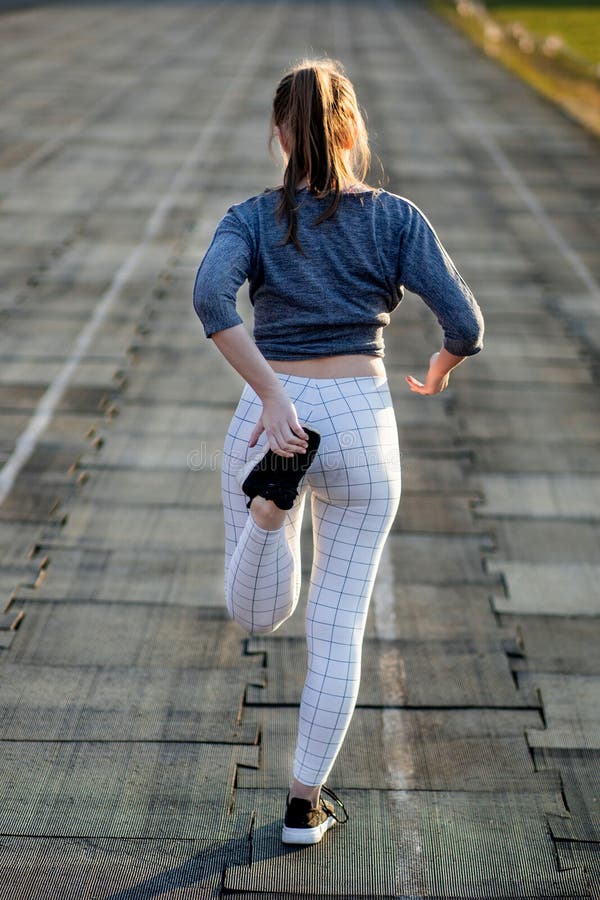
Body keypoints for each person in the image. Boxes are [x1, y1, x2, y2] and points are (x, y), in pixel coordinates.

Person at [192, 57, 484, 846]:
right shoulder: (398, 218)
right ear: (351, 130)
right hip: (360, 419)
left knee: (258, 613)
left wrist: (274, 396)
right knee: (337, 627)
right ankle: (303, 806)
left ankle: (266, 513)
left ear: (280, 135)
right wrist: (440, 365)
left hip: (272, 415)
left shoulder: (248, 219)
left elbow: (210, 300)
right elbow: (466, 324)